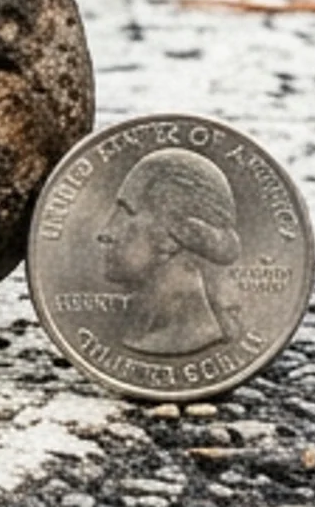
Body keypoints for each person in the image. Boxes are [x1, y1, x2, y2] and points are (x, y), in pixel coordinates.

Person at [94, 146, 247, 359]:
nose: (105, 232)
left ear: (174, 235)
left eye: (126, 213)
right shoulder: (140, 331)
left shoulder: (180, 336)